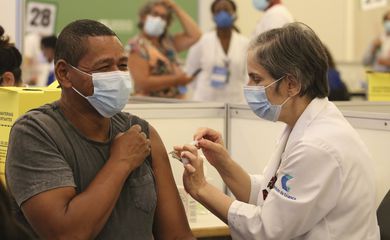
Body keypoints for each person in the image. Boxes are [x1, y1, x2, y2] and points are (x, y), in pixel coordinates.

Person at [176, 23, 380, 239]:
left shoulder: (317, 146)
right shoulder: (304, 126)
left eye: (256, 79)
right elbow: (266, 196)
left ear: (291, 84)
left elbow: (268, 230)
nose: (248, 86)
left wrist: (201, 188)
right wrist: (223, 163)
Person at [5, 19, 194, 240]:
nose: (118, 76)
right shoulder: (35, 133)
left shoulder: (142, 132)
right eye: (104, 67)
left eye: (122, 66)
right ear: (64, 74)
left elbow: (177, 235)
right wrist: (121, 162)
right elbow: (67, 234)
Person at [128, 0, 201, 98]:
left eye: (163, 17)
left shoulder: (168, 43)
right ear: (143, 17)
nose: (158, 19)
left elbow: (195, 35)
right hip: (152, 106)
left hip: (175, 104)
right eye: (155, 14)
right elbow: (142, 82)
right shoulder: (137, 46)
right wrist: (177, 80)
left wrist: (175, 7)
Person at [185, 0, 249, 103]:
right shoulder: (203, 41)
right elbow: (190, 71)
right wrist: (203, 89)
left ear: (234, 13)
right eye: (218, 11)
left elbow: (248, 75)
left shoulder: (244, 43)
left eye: (226, 10)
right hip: (205, 101)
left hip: (236, 101)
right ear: (213, 15)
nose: (222, 14)